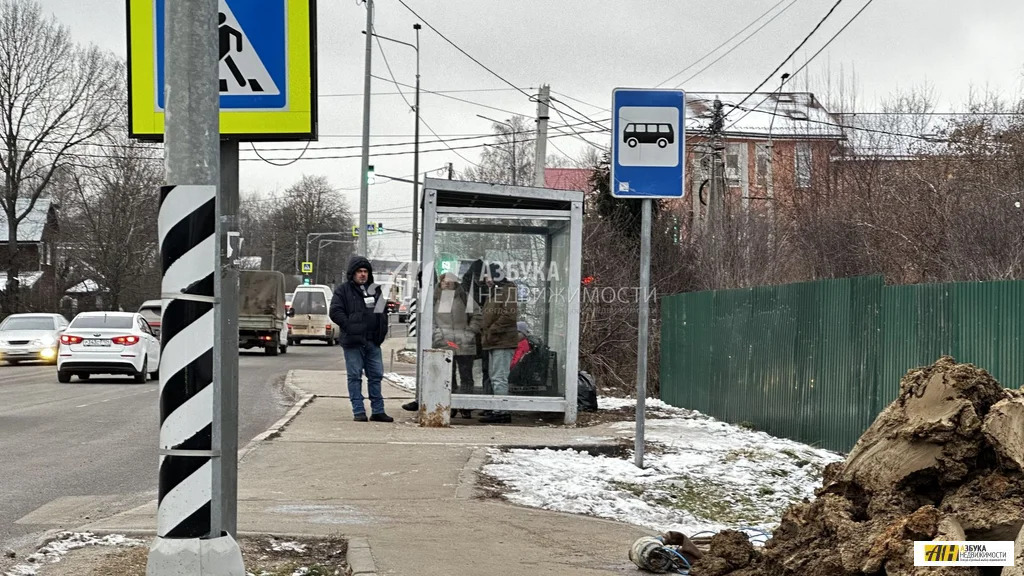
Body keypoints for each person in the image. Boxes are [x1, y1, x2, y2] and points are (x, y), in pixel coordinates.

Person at [329, 256, 393, 423]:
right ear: (353, 273)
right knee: (355, 376)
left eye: (365, 271)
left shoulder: (375, 290)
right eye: (359, 271)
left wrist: (382, 331)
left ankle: (378, 411)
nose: (363, 274)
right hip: (353, 342)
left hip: (373, 341)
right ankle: (358, 411)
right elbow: (335, 312)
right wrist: (350, 325)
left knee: (376, 376)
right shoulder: (343, 291)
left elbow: (382, 312)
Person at [433, 272, 481, 418]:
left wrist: (469, 332)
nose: (447, 284)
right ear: (440, 283)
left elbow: (478, 315)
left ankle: (466, 406)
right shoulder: (435, 299)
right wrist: (439, 336)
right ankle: (450, 406)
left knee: (466, 376)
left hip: (464, 344)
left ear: (455, 283)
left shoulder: (464, 297)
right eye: (444, 281)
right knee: (448, 376)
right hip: (444, 343)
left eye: (450, 281)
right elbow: (429, 320)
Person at [479, 262, 518, 423]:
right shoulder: (496, 291)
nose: (486, 280)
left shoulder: (507, 290)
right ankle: (496, 407)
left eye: (487, 276)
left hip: (502, 340)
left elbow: (509, 315)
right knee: (494, 376)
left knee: (499, 377)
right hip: (494, 341)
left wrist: (492, 329)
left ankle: (501, 411)